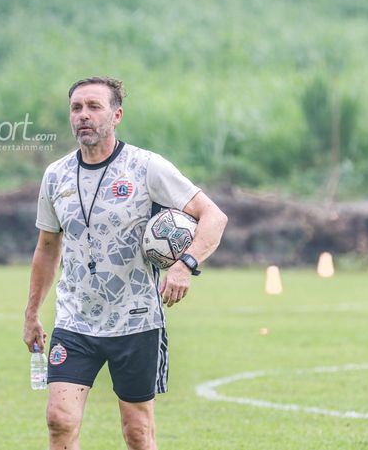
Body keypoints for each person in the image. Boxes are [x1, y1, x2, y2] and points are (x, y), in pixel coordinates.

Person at [23, 76, 228, 450]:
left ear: (116, 115)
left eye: (94, 107)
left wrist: (184, 265)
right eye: (76, 108)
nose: (83, 115)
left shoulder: (146, 167)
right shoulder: (56, 176)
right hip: (75, 319)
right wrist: (32, 312)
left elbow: (213, 216)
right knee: (59, 420)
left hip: (135, 320)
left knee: (137, 432)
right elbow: (47, 247)